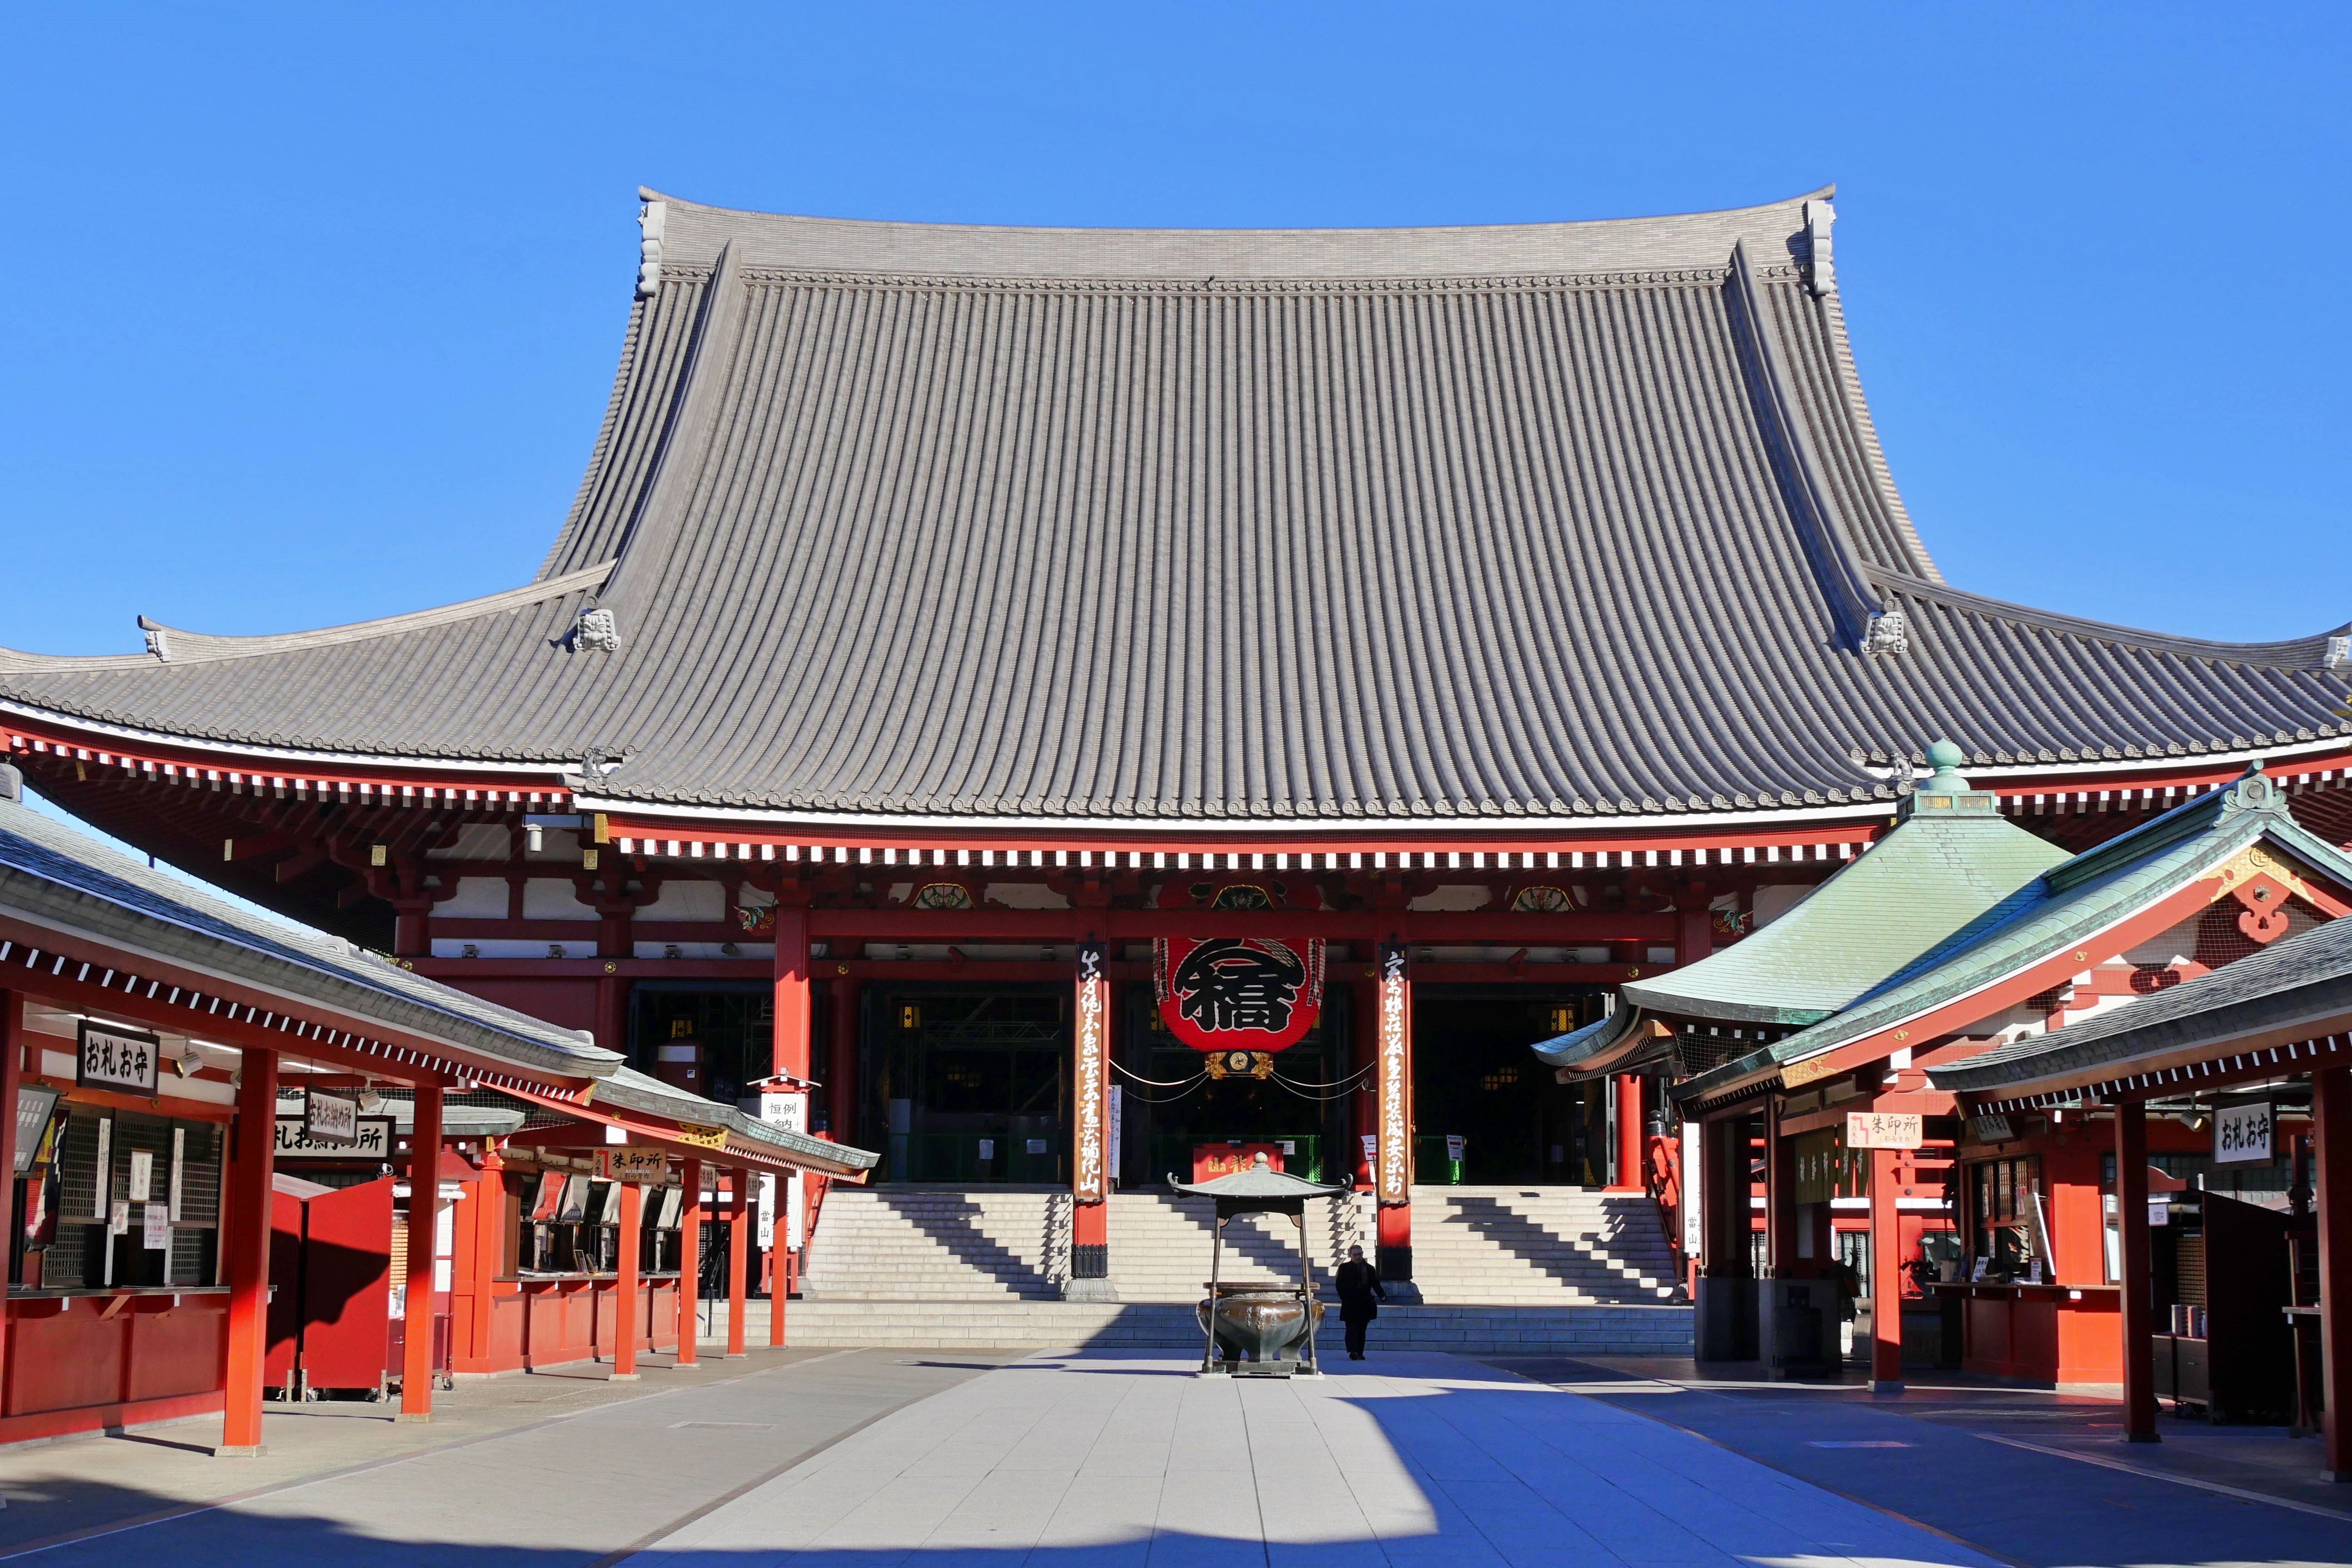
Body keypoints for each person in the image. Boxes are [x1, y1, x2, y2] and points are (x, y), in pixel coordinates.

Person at [1334, 1243, 1384, 1360]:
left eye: (1360, 1254)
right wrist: (1344, 1297)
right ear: (1350, 1255)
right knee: (1351, 1329)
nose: (1358, 1257)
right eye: (1355, 1255)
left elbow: (1375, 1284)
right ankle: (1352, 1351)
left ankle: (1360, 1352)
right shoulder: (1344, 1268)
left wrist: (1382, 1295)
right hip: (1350, 1303)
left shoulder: (1370, 1269)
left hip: (1364, 1303)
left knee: (1362, 1329)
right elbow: (1339, 1285)